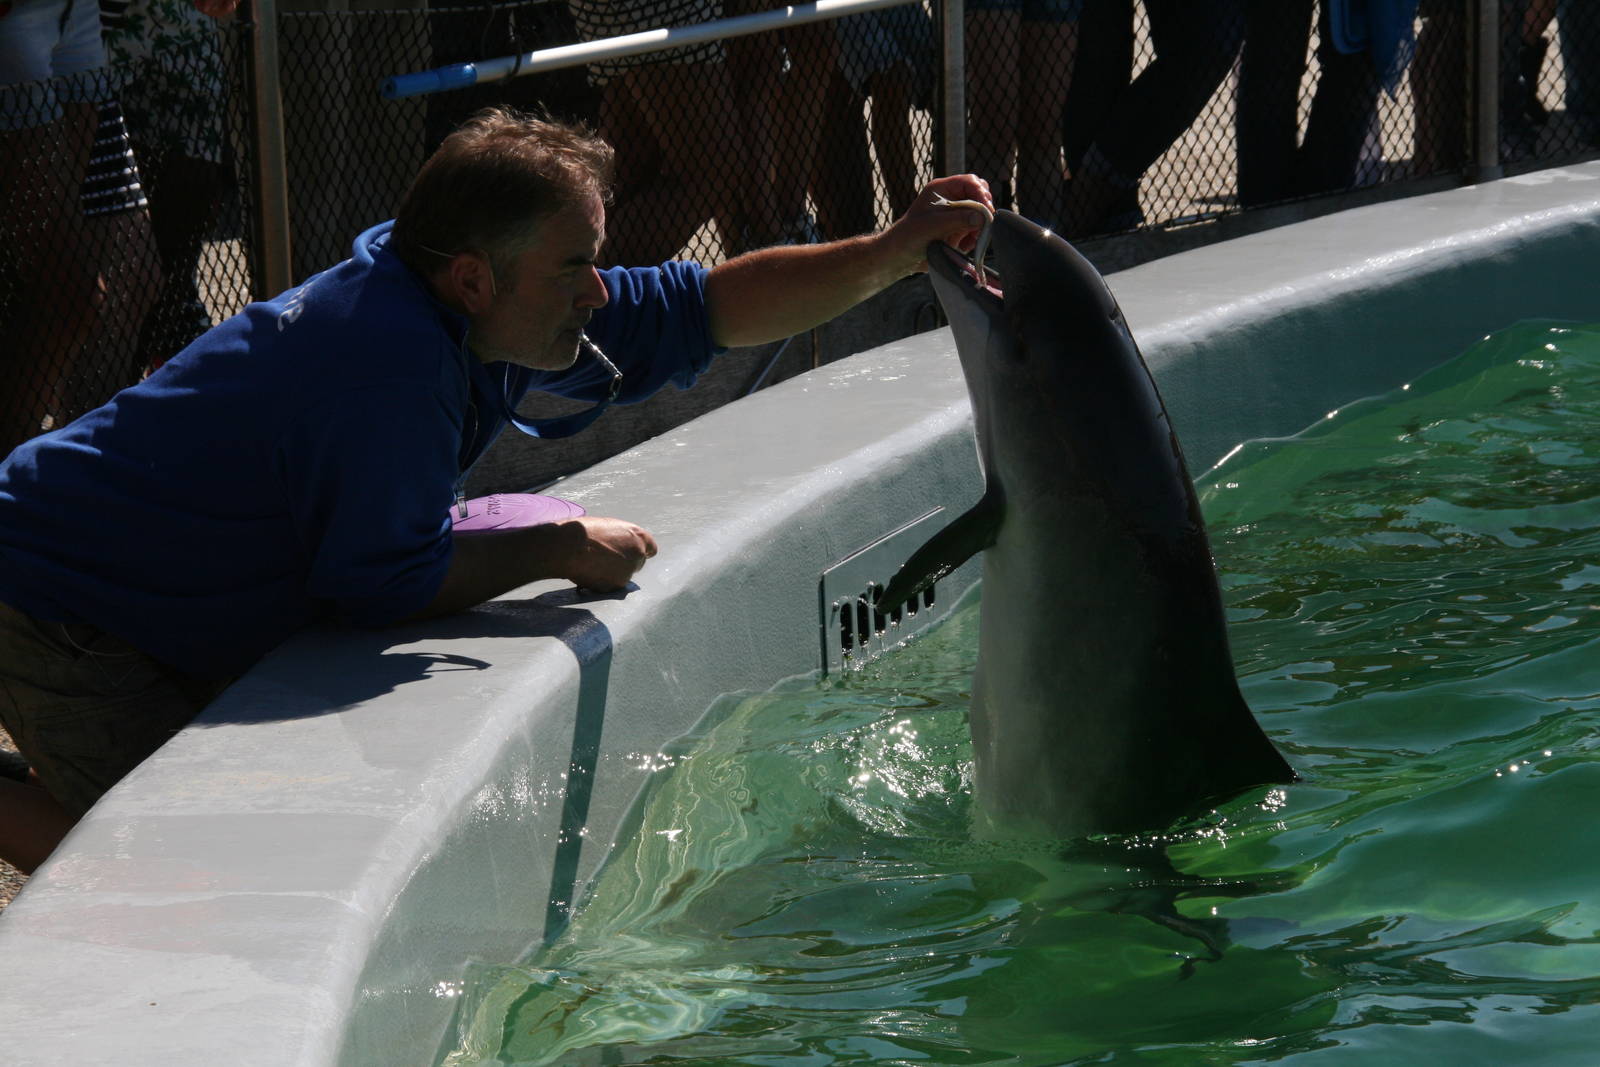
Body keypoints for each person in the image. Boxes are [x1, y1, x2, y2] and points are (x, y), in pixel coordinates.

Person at [0, 107, 991, 874]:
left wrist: (887, 251)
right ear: (473, 278)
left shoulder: (481, 307)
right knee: (150, 869)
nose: (598, 290)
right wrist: (552, 544)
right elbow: (380, 581)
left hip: (152, 585)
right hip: (61, 599)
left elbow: (710, 304)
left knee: (237, 819)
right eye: (577, 265)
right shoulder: (389, 362)